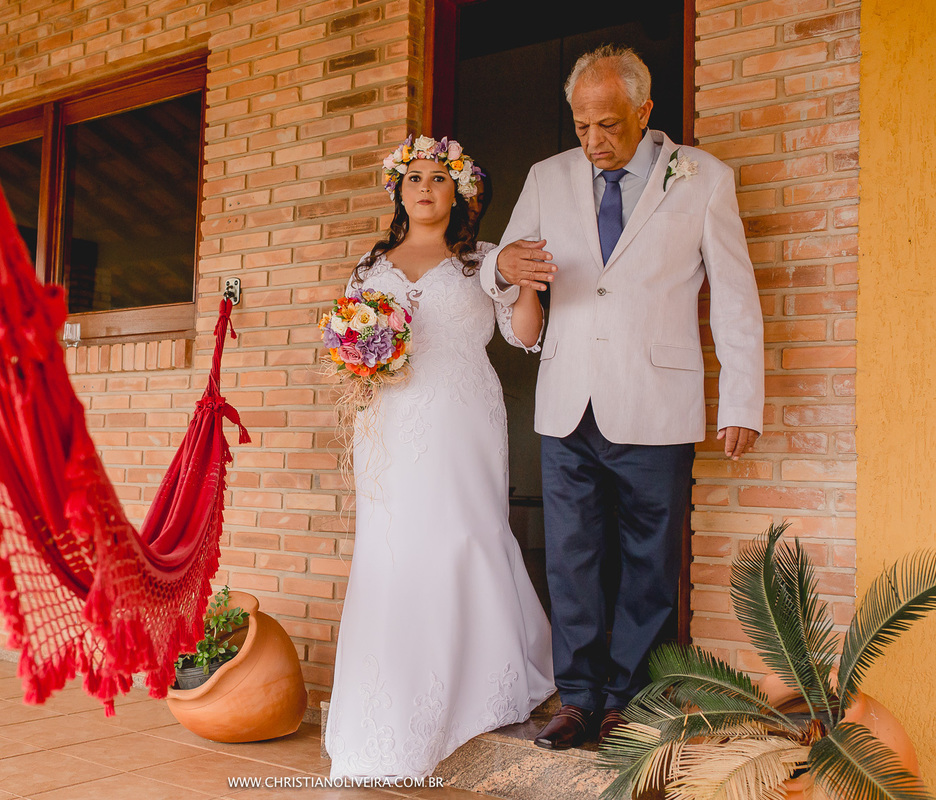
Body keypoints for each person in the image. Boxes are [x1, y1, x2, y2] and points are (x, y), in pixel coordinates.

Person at [480, 45, 765, 749]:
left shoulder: (703, 178)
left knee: (647, 564)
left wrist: (741, 399)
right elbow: (503, 265)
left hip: (656, 401)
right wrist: (498, 267)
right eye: (580, 126)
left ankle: (630, 702)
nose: (593, 142)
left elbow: (734, 295)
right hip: (567, 401)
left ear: (644, 111)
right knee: (570, 558)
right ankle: (576, 699)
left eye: (607, 124)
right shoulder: (548, 176)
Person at [325, 135, 554, 781]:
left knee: (461, 534)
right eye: (414, 177)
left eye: (439, 178)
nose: (425, 187)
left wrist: (526, 283)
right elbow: (348, 336)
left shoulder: (480, 260)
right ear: (398, 190)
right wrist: (356, 359)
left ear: (461, 193)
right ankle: (390, 700)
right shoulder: (371, 266)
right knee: (393, 545)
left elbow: (524, 335)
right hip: (387, 420)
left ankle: (480, 681)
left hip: (462, 416)